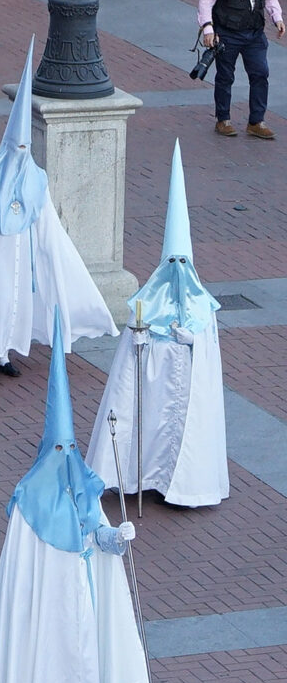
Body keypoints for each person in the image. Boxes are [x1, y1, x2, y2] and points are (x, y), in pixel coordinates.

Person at [0, 313, 149, 683]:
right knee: (47, 653)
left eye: (71, 449)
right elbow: (20, 562)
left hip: (80, 590)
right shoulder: (29, 499)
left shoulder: (83, 490)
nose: (66, 456)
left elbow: (97, 535)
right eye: (59, 449)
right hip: (45, 595)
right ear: (48, 449)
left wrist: (117, 537)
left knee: (81, 651)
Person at [0, 43, 116, 383]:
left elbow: (45, 222)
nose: (20, 155)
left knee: (16, 303)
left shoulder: (36, 180)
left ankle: (4, 354)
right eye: (15, 149)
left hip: (21, 253)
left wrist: (50, 254)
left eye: (24, 149)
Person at [85, 145, 229, 508]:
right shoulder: (147, 301)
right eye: (173, 261)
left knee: (183, 430)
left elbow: (209, 355)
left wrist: (191, 337)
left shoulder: (203, 305)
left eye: (184, 261)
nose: (179, 268)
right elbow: (127, 362)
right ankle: (144, 477)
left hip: (186, 381)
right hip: (155, 379)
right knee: (150, 426)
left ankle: (184, 484)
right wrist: (141, 339)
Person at [198, 0, 283, 138]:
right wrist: (208, 29)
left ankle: (256, 121)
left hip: (254, 33)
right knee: (225, 76)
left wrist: (277, 18)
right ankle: (223, 119)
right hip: (228, 33)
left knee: (260, 74)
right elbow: (206, 1)